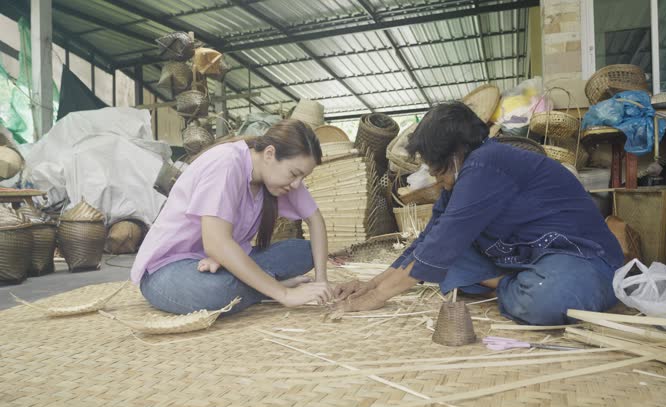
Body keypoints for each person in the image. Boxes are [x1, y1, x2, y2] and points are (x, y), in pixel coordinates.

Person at [334, 102, 624, 325]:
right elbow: (427, 243)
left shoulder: (488, 161)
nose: (439, 181)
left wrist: (378, 298)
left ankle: (511, 285)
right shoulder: (457, 184)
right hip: (522, 261)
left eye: (440, 171)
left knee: (549, 300)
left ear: (457, 153)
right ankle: (516, 283)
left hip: (580, 259)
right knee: (434, 255)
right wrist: (370, 285)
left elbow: (443, 245)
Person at [131, 119, 333, 314]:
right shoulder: (226, 163)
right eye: (294, 174)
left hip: (222, 258)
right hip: (168, 269)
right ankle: (266, 288)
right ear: (270, 154)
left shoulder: (278, 175)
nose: (297, 184)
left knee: (303, 251)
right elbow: (216, 244)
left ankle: (247, 278)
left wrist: (321, 281)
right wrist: (285, 294)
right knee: (219, 290)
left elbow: (315, 220)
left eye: (302, 178)